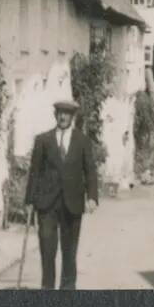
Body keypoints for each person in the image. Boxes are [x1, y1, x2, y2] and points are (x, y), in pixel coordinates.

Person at [24, 98, 98, 290]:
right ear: (55, 115)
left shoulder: (82, 141)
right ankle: (47, 291)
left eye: (67, 113)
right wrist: (29, 201)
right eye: (60, 113)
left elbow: (90, 170)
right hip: (47, 204)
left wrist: (92, 197)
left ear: (72, 117)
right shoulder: (43, 140)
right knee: (47, 251)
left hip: (72, 204)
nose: (63, 116)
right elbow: (35, 172)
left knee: (69, 252)